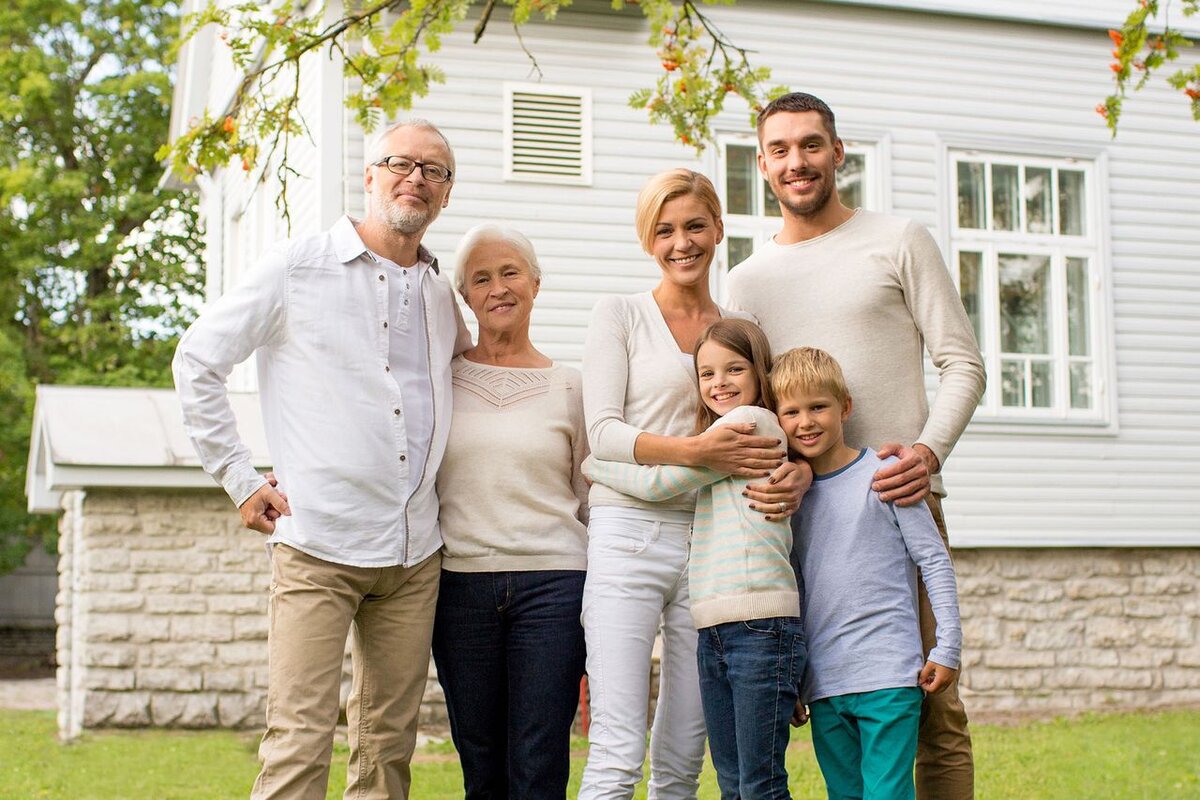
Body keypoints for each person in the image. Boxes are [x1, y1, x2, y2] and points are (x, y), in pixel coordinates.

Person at [172, 119, 470, 800]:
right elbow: (197, 360)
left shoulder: (440, 296)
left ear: (446, 194)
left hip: (414, 556)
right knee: (299, 746)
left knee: (386, 751)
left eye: (435, 170)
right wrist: (239, 480)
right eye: (401, 163)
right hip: (318, 546)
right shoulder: (295, 266)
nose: (416, 179)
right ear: (369, 175)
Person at [725, 92, 985, 799]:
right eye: (780, 149)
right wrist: (785, 476)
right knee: (838, 705)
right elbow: (744, 405)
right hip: (809, 524)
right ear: (762, 165)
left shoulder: (898, 239)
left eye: (811, 145)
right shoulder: (745, 281)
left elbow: (963, 362)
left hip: (901, 502)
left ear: (838, 153)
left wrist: (926, 455)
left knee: (935, 706)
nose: (797, 161)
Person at [579, 169, 809, 800]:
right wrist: (698, 450)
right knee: (618, 747)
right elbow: (600, 431)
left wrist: (803, 468)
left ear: (718, 230)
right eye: (665, 230)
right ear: (647, 239)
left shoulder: (742, 327)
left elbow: (782, 418)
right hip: (627, 535)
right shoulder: (620, 315)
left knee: (683, 753)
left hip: (712, 546)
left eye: (694, 226)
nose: (681, 242)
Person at [432, 223, 589, 799]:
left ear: (536, 284)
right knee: (478, 755)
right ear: (465, 296)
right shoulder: (439, 380)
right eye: (481, 278)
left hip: (555, 586)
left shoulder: (570, 386)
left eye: (510, 272)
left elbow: (591, 495)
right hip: (460, 587)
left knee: (539, 754)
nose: (497, 287)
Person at [773, 346, 962, 800]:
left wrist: (948, 646)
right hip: (825, 683)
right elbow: (794, 587)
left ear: (846, 407)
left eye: (818, 406)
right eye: (791, 412)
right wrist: (797, 676)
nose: (806, 422)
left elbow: (933, 562)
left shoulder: (887, 474)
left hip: (889, 675)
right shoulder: (791, 500)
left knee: (888, 793)